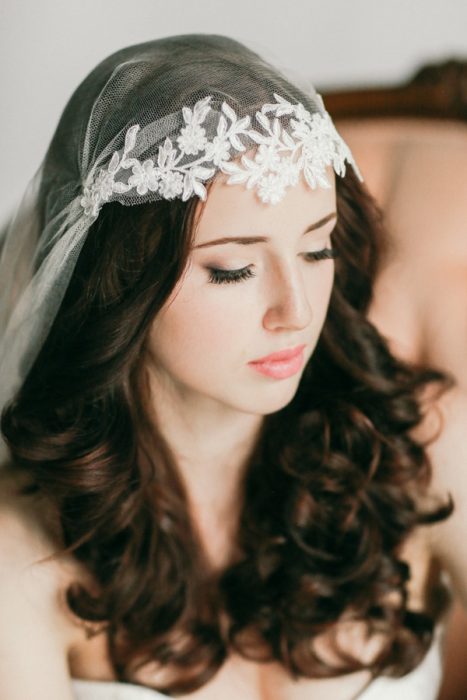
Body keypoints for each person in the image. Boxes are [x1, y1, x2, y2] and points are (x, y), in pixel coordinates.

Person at [0, 34, 466, 700]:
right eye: (233, 269)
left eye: (315, 250)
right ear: (123, 283)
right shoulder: (17, 553)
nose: (295, 311)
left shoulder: (418, 448)